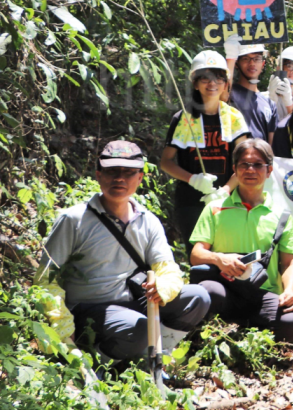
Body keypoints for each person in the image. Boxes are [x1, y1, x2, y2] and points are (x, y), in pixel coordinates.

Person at [35, 140, 210, 366]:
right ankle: (100, 362)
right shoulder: (73, 220)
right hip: (90, 309)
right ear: (98, 175)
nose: (119, 178)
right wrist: (62, 327)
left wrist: (163, 288)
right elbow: (46, 279)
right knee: (141, 331)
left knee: (198, 297)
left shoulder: (148, 221)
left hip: (134, 300)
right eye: (112, 171)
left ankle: (154, 355)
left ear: (140, 178)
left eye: (128, 172)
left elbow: (167, 268)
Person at [190, 139, 293, 343]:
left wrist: (289, 292)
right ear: (234, 169)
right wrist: (219, 259)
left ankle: (248, 329)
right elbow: (196, 255)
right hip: (224, 290)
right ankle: (212, 338)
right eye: (244, 164)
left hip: (263, 293)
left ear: (269, 171)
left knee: (291, 323)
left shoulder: (281, 215)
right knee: (207, 291)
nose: (250, 170)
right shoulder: (215, 208)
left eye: (258, 164)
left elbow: (289, 263)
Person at [161, 50, 249, 242]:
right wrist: (192, 179)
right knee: (198, 259)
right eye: (205, 78)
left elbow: (245, 162)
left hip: (229, 201)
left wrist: (226, 189)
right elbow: (166, 162)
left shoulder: (234, 117)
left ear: (225, 83)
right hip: (191, 203)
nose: (212, 84)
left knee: (228, 255)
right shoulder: (183, 118)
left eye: (218, 78)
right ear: (195, 82)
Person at [221, 38, 278, 143]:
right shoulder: (230, 93)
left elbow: (271, 147)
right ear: (237, 64)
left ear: (263, 63)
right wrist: (230, 58)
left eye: (257, 59)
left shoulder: (270, 104)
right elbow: (223, 95)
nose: (252, 63)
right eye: (246, 59)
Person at [266, 45, 293, 124]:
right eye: (290, 66)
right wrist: (271, 101)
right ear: (279, 68)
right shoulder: (265, 97)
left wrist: (289, 104)